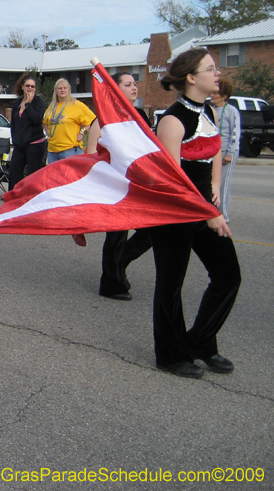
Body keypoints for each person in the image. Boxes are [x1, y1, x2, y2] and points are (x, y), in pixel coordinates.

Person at [151, 47, 240, 379]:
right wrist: (208, 211)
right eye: (211, 69)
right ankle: (170, 355)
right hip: (175, 212)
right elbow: (173, 181)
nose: (217, 74)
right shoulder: (172, 120)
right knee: (170, 286)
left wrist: (215, 185)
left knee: (228, 276)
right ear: (191, 77)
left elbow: (215, 150)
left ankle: (201, 342)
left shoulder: (210, 113)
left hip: (204, 208)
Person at [86, 72, 153, 301]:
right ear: (115, 90)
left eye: (135, 83)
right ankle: (111, 283)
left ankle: (119, 264)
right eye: (128, 84)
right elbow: (91, 155)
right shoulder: (103, 118)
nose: (134, 87)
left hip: (139, 183)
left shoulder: (141, 115)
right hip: (113, 184)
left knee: (152, 230)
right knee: (116, 235)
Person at [8, 74, 47, 190]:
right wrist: (15, 139)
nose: (30, 88)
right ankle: (13, 199)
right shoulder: (17, 103)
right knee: (14, 172)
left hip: (35, 144)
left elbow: (36, 119)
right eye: (27, 86)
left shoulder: (38, 102)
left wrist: (29, 104)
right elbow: (14, 124)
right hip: (20, 145)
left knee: (33, 174)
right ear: (22, 87)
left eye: (32, 86)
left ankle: (31, 199)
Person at [43, 78, 96, 163]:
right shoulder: (52, 107)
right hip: (52, 151)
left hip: (70, 150)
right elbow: (45, 122)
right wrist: (48, 134)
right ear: (56, 91)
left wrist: (82, 133)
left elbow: (93, 121)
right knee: (54, 176)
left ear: (69, 90)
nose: (62, 90)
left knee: (69, 176)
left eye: (65, 88)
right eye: (60, 88)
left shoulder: (77, 105)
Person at [210, 79, 241, 223]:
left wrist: (230, 152)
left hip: (228, 151)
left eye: (216, 93)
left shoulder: (231, 111)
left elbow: (236, 132)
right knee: (213, 183)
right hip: (215, 152)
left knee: (224, 184)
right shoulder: (212, 111)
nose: (212, 95)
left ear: (224, 96)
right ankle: (213, 210)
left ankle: (223, 215)